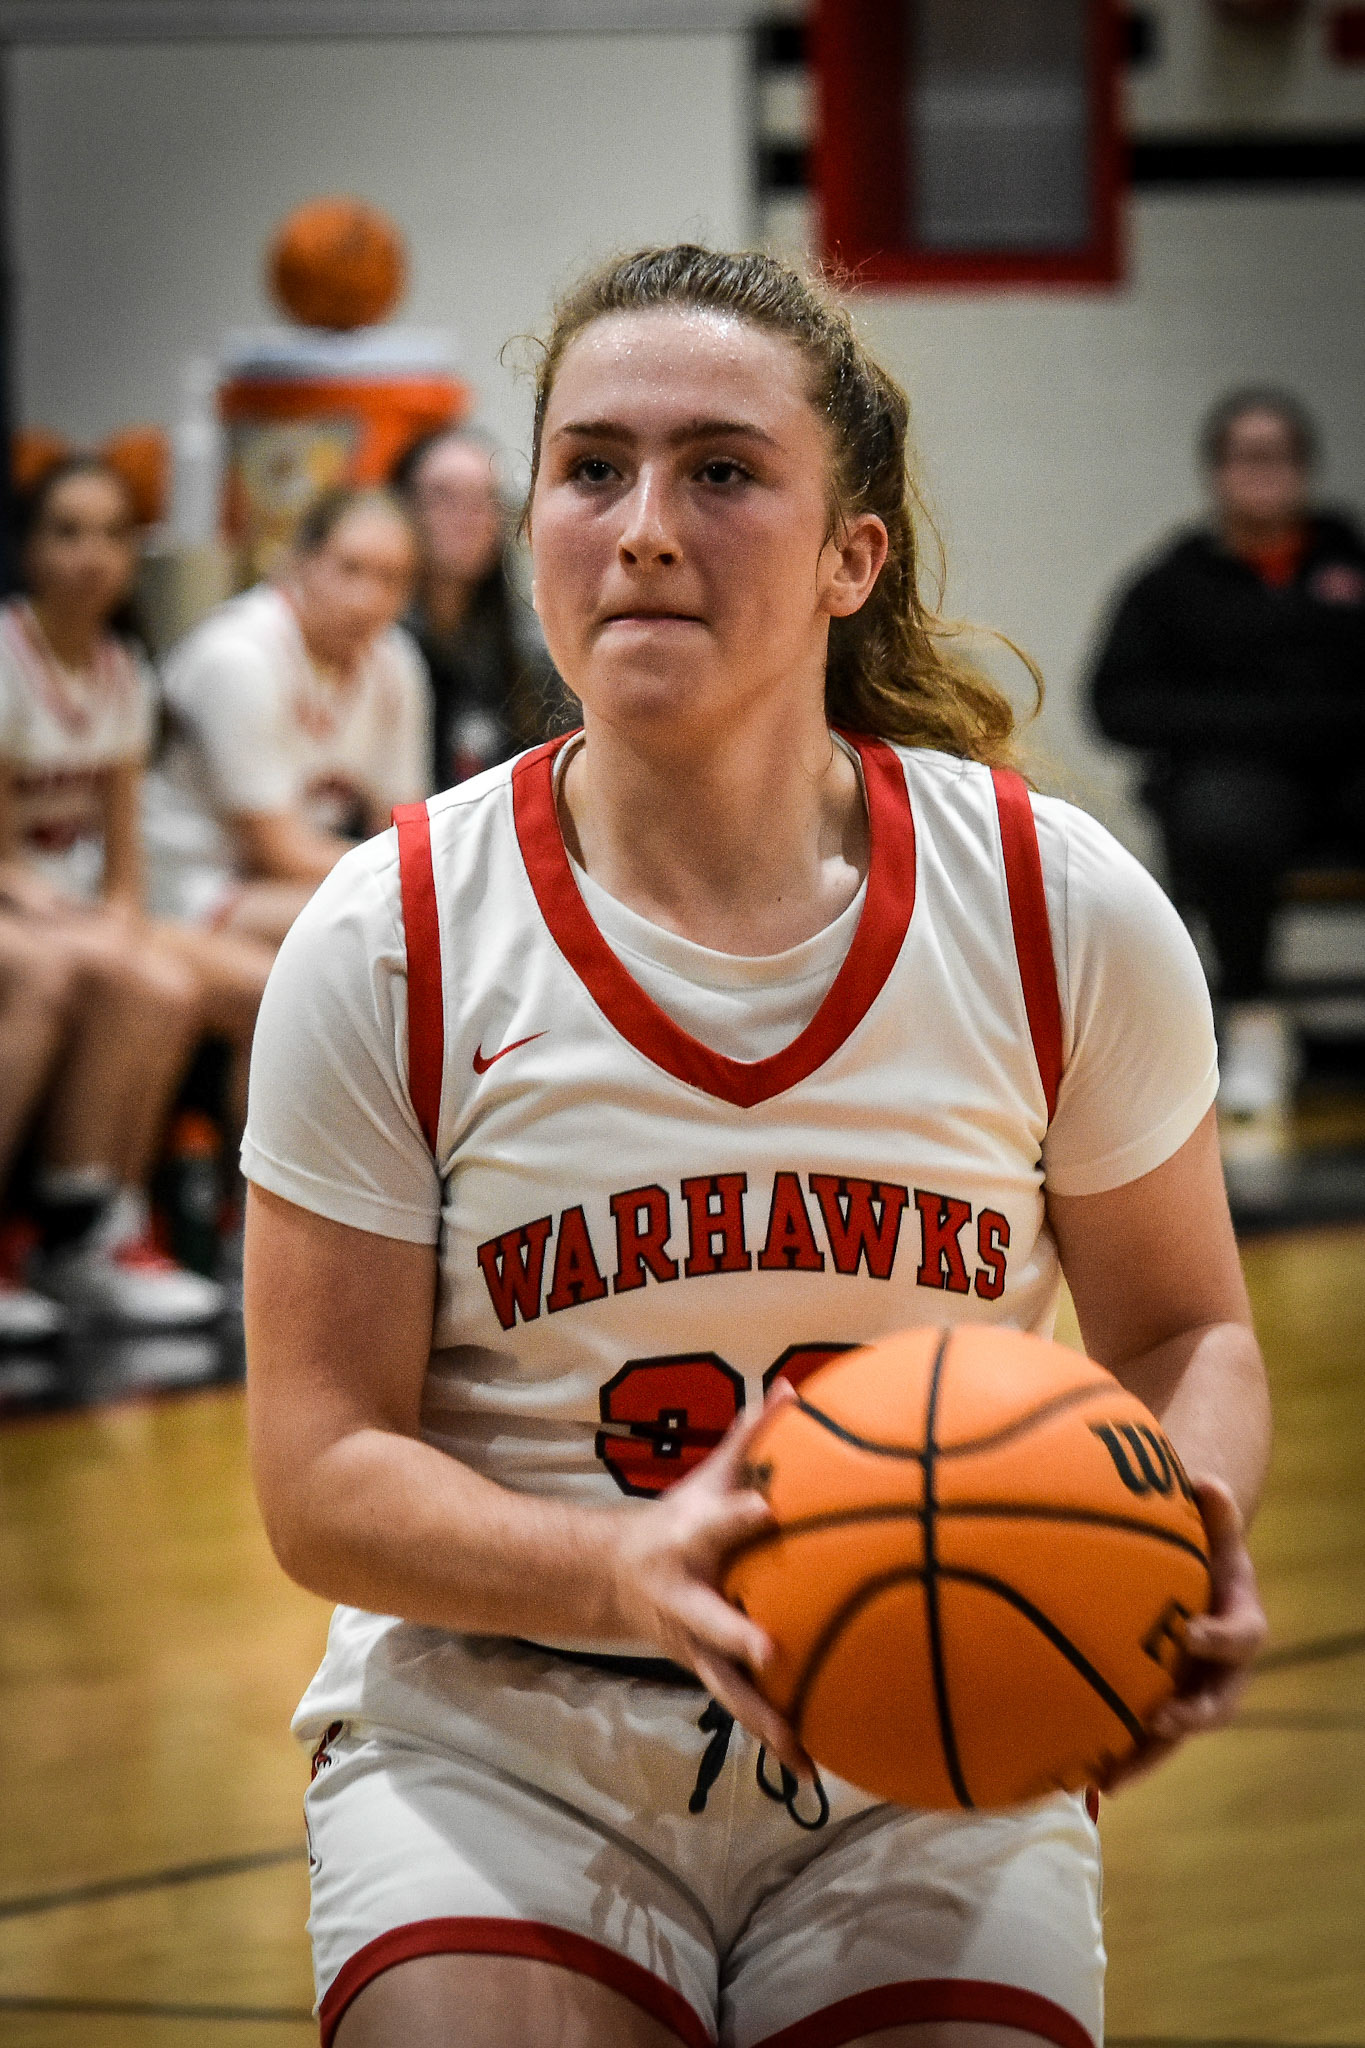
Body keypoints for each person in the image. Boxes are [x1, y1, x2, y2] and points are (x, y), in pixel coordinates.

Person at [245, 246, 1270, 2048]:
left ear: (850, 558)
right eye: (593, 469)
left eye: (721, 471)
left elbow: (1190, 1330)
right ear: (537, 524)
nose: (645, 528)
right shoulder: (392, 932)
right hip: (505, 1736)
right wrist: (618, 1575)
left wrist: (1179, 1528)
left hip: (925, 1741)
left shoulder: (1055, 908)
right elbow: (320, 1467)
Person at [1090, 388, 1365, 1122]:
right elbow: (1115, 704)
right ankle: (1252, 1019)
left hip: (1346, 773)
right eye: (1246, 456)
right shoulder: (1171, 583)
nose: (1262, 472)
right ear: (1216, 472)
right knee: (1221, 822)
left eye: (1278, 456)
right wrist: (1245, 727)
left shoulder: (1350, 567)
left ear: (1305, 468)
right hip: (1235, 779)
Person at [0, 454, 229, 1325]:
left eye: (111, 535)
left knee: (163, 983)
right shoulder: (8, 655)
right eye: (68, 533)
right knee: (47, 974)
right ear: (28, 549)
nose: (90, 555)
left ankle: (92, 1234)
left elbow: (123, 861)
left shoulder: (124, 669)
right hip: (17, 902)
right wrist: (78, 924)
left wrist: (121, 921)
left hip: (60, 910)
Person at [143, 485, 431, 947]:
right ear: (300, 562)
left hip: (297, 884)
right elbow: (274, 851)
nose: (366, 599)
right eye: (350, 569)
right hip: (192, 887)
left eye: (391, 579)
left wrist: (420, 875)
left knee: (410, 917)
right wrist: (418, 877)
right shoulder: (237, 657)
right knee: (391, 922)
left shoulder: (396, 659)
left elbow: (400, 821)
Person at [391, 427, 558, 788]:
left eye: (485, 499)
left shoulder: (530, 651)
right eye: (444, 497)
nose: (468, 517)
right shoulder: (373, 644)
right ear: (401, 507)